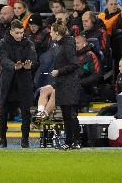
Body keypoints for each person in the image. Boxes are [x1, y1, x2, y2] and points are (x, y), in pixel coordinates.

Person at [0, 19, 37, 148]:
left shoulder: (28, 43)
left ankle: (25, 140)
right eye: (17, 33)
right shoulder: (2, 43)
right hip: (7, 83)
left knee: (26, 113)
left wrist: (30, 65)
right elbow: (3, 59)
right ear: (11, 32)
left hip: (24, 83)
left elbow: (33, 58)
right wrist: (14, 66)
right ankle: (2, 139)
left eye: (21, 33)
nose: (20, 35)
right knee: (2, 113)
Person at [49, 22, 81, 150]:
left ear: (57, 32)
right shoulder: (61, 44)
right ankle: (68, 141)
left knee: (71, 115)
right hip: (62, 84)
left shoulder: (67, 44)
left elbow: (74, 64)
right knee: (66, 115)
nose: (50, 33)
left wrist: (59, 71)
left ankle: (77, 141)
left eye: (51, 31)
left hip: (70, 84)